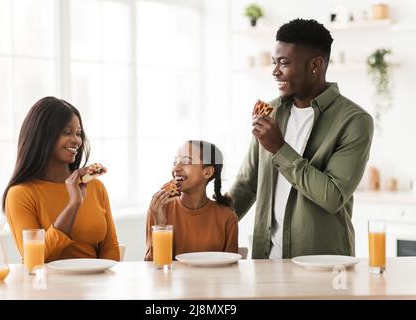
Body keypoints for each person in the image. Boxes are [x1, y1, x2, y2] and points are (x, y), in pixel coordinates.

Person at [228, 18, 374, 259]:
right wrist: (200, 216)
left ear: (315, 64)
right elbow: (247, 184)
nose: (275, 71)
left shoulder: (354, 121)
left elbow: (332, 196)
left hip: (325, 265)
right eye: (274, 62)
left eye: (284, 63)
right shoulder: (269, 112)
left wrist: (280, 149)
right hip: (266, 261)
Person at [2, 97, 120, 262]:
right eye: (66, 132)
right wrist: (73, 205)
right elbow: (35, 259)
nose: (76, 140)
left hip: (95, 286)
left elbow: (111, 248)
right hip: (46, 287)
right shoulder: (20, 194)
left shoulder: (95, 186)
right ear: (42, 136)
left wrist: (107, 283)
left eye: (78, 133)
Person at [145, 140, 238, 260]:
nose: (176, 168)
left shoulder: (227, 217)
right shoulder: (159, 209)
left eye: (185, 162)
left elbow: (231, 269)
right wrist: (160, 225)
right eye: (175, 161)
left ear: (207, 172)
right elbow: (154, 267)